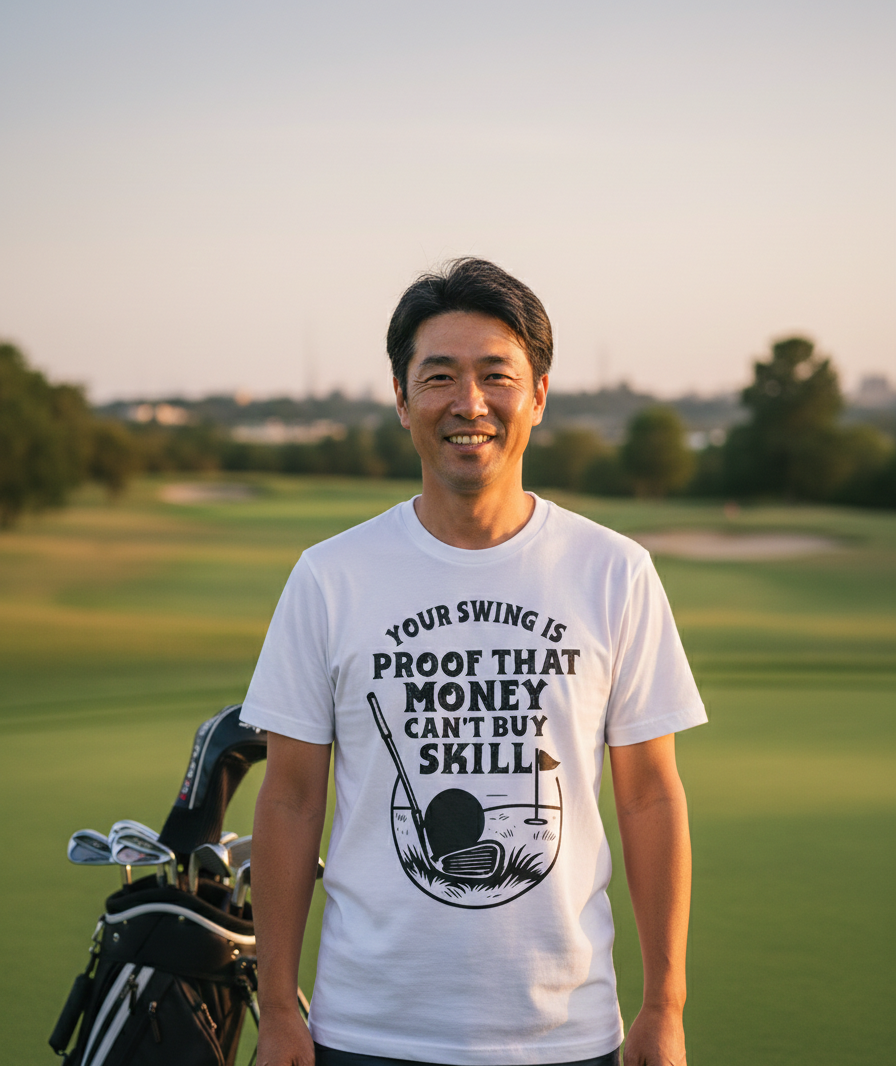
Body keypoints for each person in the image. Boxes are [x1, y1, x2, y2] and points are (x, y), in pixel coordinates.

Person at [241, 258, 707, 1066]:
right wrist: (279, 1008)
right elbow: (288, 799)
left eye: (496, 375)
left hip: (566, 1037)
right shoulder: (329, 577)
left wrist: (664, 1007)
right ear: (400, 397)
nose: (469, 404)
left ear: (539, 395)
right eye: (439, 377)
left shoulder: (614, 572)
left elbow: (649, 796)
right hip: (365, 1035)